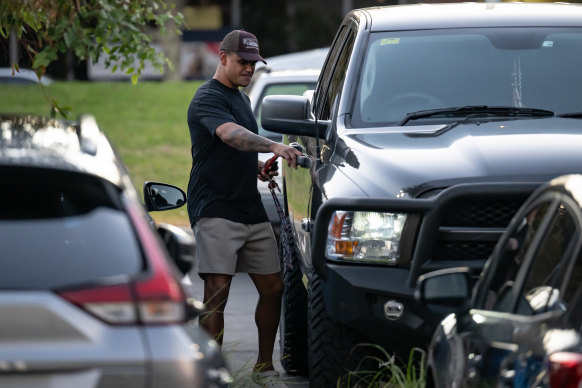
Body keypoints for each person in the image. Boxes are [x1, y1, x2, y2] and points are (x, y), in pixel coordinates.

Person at [186, 29, 302, 387]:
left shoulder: (241, 99)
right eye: (242, 62)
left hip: (249, 208)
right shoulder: (206, 97)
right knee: (217, 292)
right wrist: (272, 146)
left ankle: (264, 368)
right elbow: (228, 136)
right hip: (215, 207)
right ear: (222, 58)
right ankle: (214, 372)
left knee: (273, 287)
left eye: (254, 63)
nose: (249, 69)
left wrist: (257, 167)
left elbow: (233, 151)